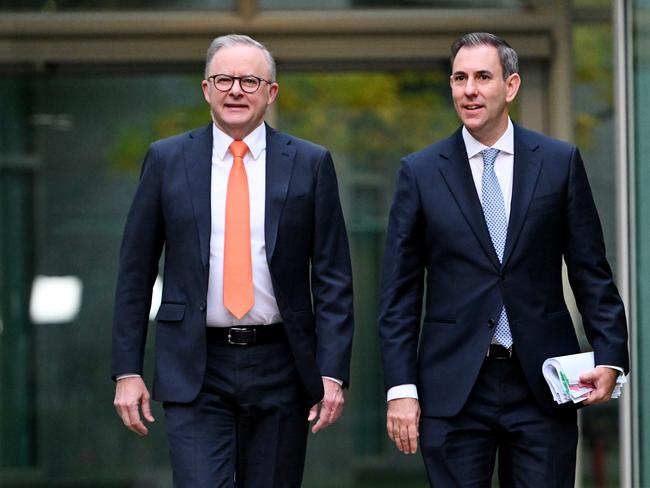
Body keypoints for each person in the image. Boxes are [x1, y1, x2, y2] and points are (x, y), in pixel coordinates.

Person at [378, 32, 628, 487]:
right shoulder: (419, 172)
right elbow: (399, 294)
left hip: (543, 385)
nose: (468, 89)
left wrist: (610, 357)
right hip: (453, 388)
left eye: (482, 77)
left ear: (510, 86)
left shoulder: (558, 162)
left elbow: (591, 270)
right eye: (459, 78)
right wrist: (401, 389)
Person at [111, 34, 354, 488]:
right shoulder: (166, 159)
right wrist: (127, 371)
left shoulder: (310, 162)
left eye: (249, 80)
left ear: (271, 92)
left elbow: (333, 276)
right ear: (206, 89)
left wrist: (333, 372)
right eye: (223, 79)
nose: (235, 90)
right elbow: (135, 272)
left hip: (281, 364)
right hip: (194, 366)